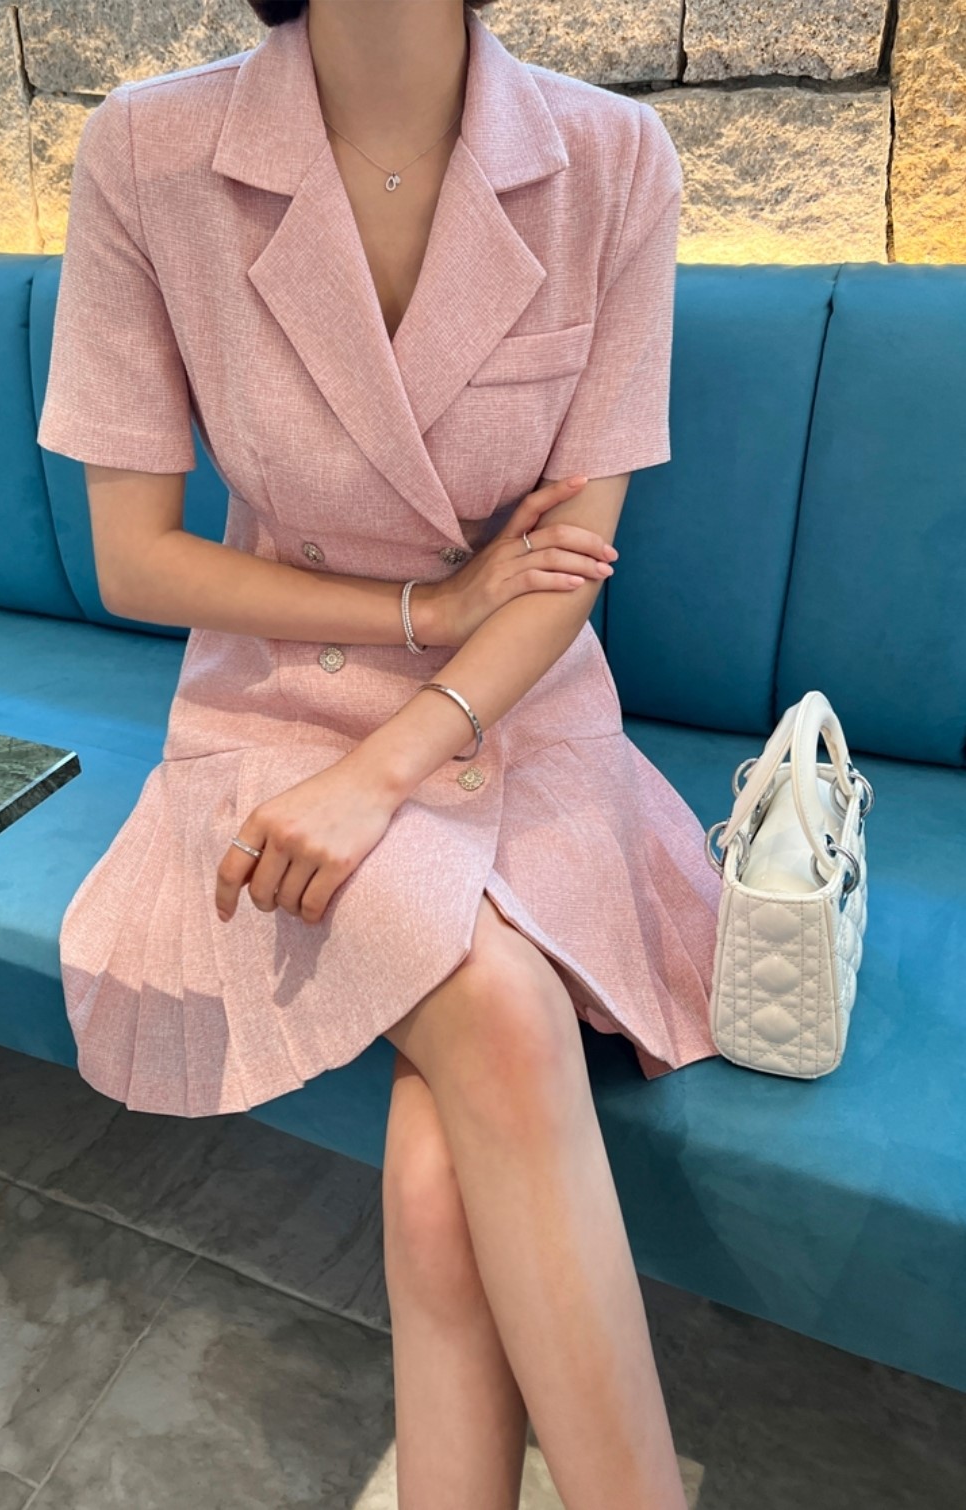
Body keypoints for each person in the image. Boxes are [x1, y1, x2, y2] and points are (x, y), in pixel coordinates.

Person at [37, 1, 718, 1504]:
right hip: (278, 709)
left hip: (519, 710)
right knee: (506, 1018)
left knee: (432, 1187)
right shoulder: (150, 152)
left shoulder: (613, 156)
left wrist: (391, 761)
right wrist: (419, 610)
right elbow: (135, 561)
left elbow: (570, 559)